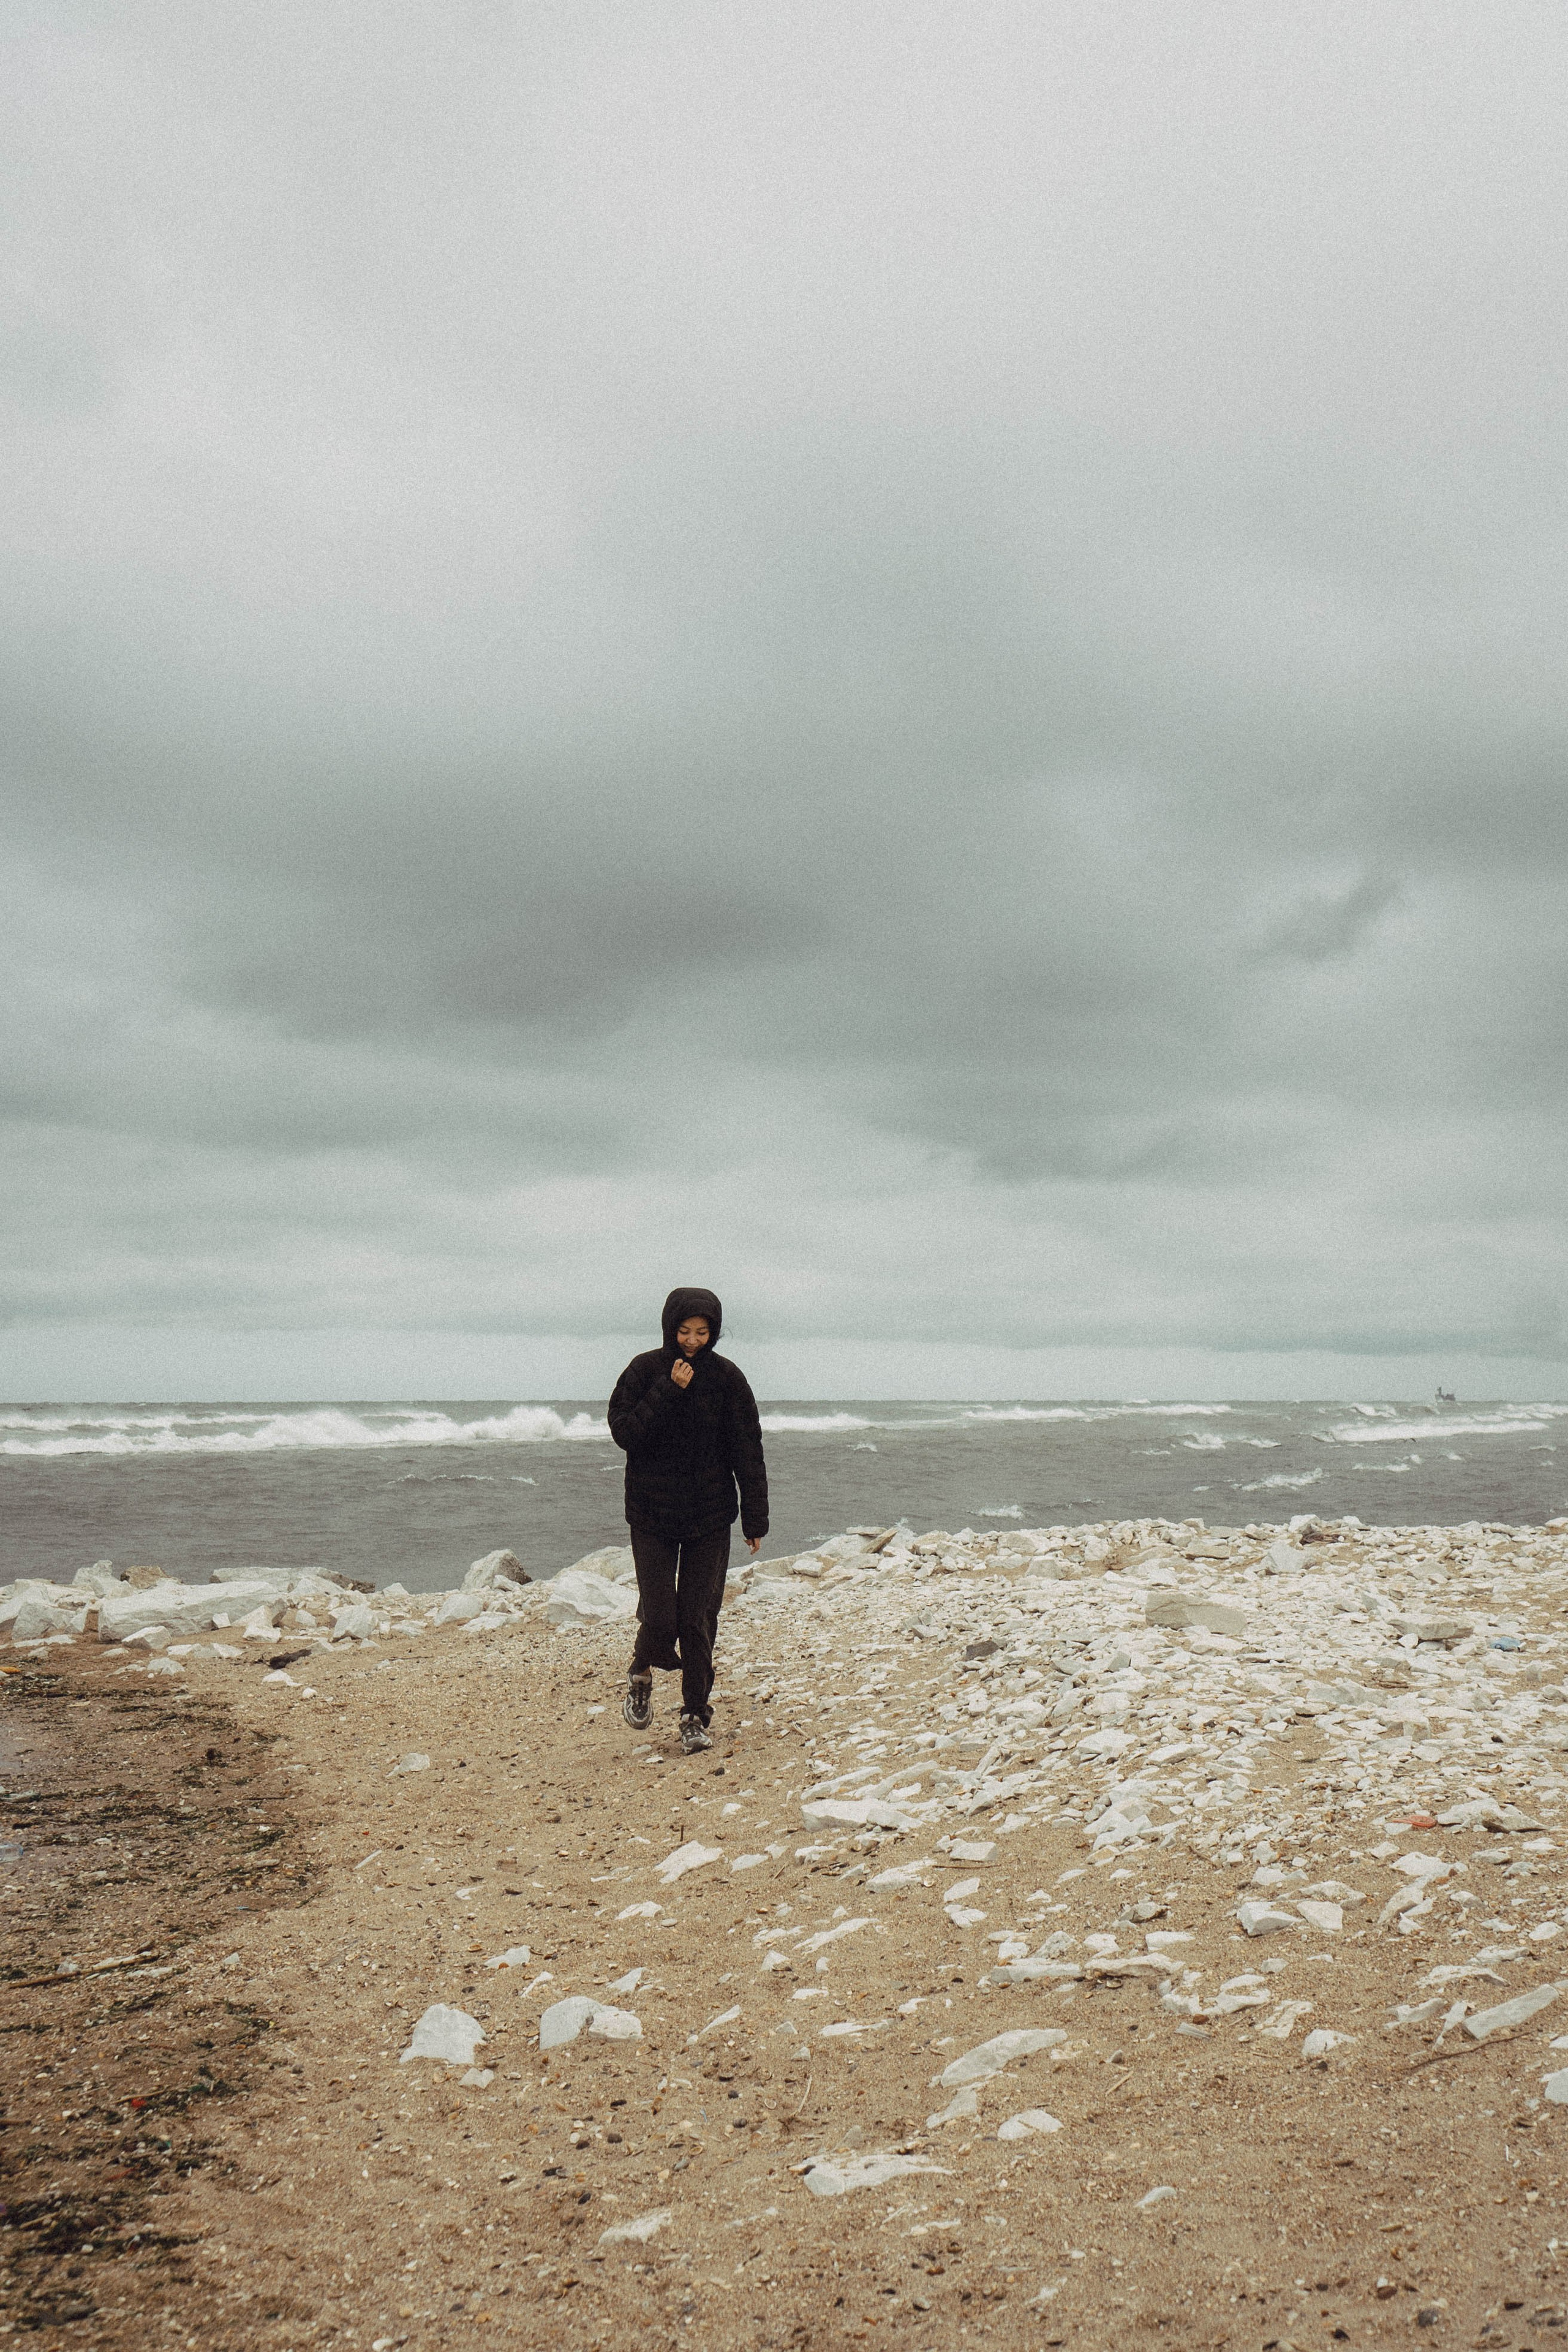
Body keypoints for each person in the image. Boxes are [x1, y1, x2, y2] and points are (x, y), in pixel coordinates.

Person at [607, 1286, 768, 1754]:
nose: (693, 1341)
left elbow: (747, 1450)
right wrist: (669, 1389)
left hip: (709, 1516)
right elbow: (625, 1433)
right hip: (652, 1514)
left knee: (697, 1619)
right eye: (684, 1331)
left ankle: (695, 1715)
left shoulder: (727, 1379)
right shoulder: (644, 1370)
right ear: (669, 1328)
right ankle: (641, 1671)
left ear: (714, 1332)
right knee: (661, 1618)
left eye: (702, 1332)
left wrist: (755, 1518)